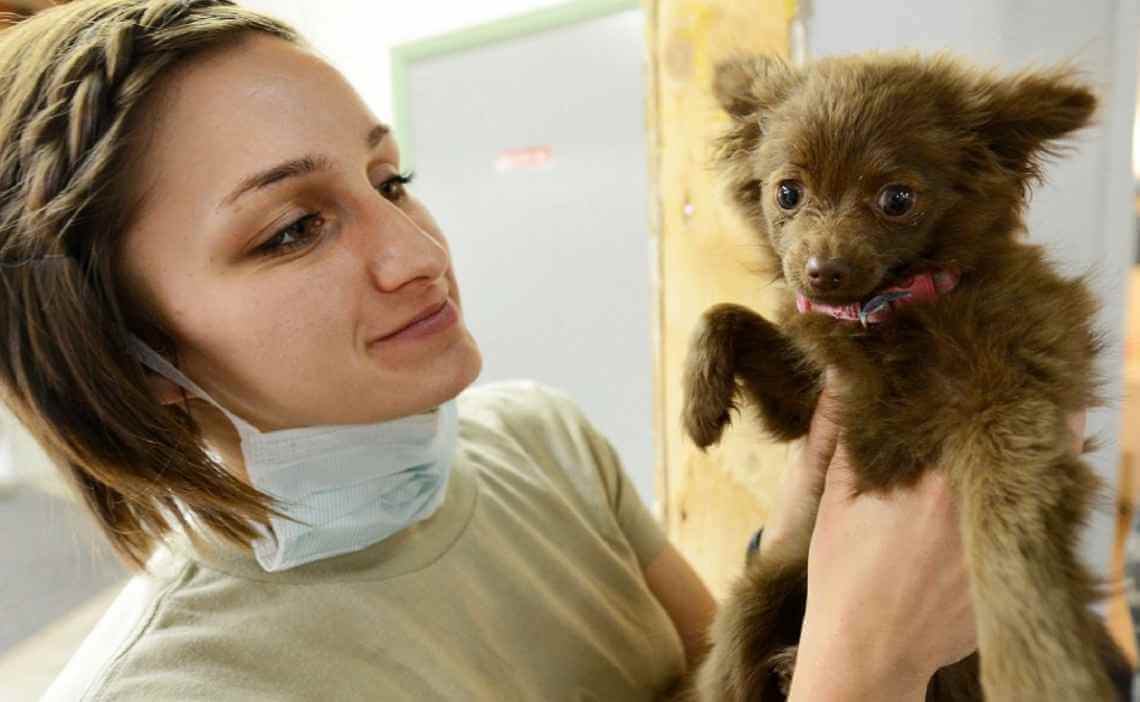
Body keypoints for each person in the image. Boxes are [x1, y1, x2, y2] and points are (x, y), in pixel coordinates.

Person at [0, 1, 1000, 700]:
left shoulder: (541, 440)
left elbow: (719, 683)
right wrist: (861, 672)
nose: (418, 252)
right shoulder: (181, 687)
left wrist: (799, 560)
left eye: (390, 180)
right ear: (127, 361)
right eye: (291, 229)